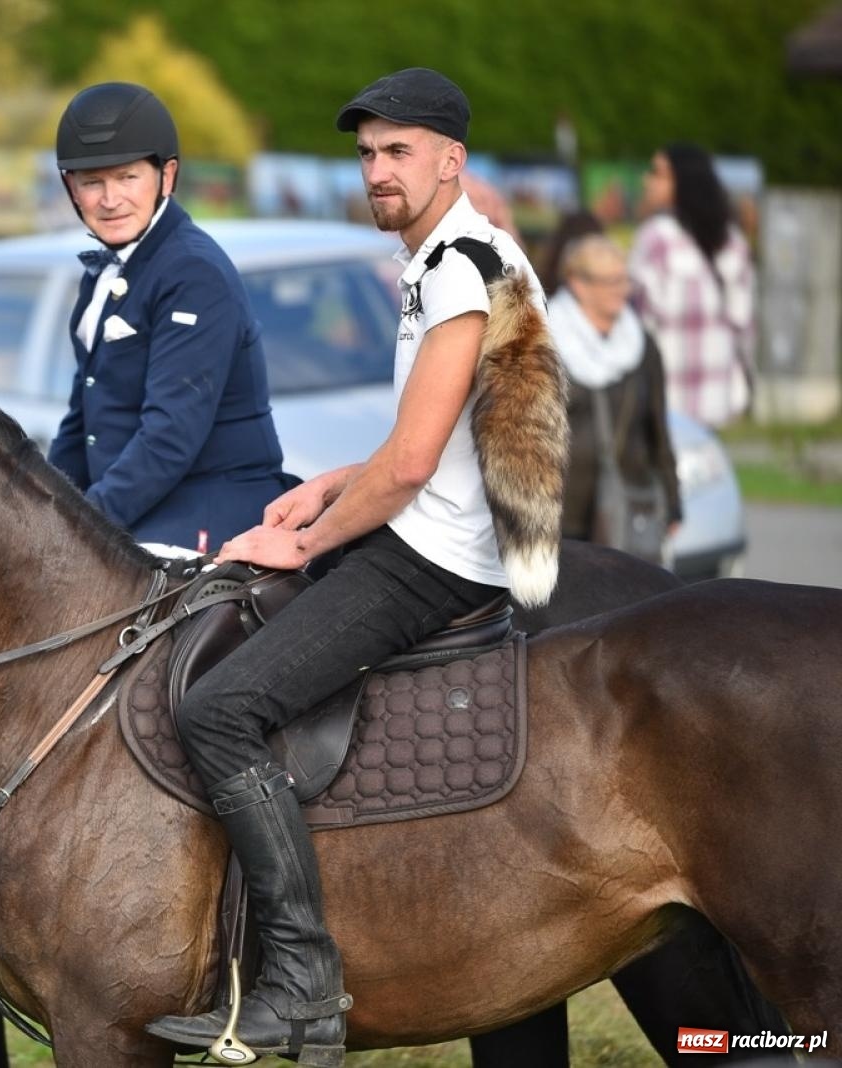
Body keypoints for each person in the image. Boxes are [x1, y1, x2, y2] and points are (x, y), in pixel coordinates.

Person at [147, 68, 563, 1061]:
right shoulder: (451, 256)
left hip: (437, 560)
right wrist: (332, 484)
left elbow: (416, 464)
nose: (377, 171)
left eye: (398, 152)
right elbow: (429, 439)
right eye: (368, 153)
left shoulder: (460, 266)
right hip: (430, 530)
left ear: (449, 161)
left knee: (217, 709)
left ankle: (301, 982)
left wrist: (301, 538)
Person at [49, 82, 295, 552]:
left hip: (206, 511)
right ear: (70, 188)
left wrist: (82, 526)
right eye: (92, 182)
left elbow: (170, 435)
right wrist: (40, 507)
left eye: (126, 178)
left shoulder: (192, 271)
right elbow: (82, 420)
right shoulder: (104, 272)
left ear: (167, 175)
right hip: (140, 507)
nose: (110, 199)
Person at [550, 233, 682, 561]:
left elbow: (658, 427)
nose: (621, 290)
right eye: (609, 281)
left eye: (624, 280)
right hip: (559, 514)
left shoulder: (641, 343)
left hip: (626, 503)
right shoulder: (545, 339)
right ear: (578, 283)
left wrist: (673, 501)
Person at [628, 142, 756, 427]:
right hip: (716, 397)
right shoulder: (733, 242)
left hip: (664, 398)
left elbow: (637, 322)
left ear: (684, 180)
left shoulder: (656, 238)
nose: (646, 180)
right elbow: (744, 325)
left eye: (657, 173)